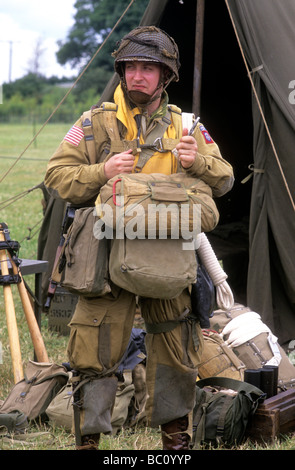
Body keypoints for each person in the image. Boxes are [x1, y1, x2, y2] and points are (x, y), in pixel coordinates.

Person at [44, 26, 234, 450]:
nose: (137, 76)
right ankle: (89, 444)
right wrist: (102, 172)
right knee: (94, 352)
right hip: (105, 256)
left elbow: (224, 180)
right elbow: (57, 177)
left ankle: (176, 445)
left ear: (165, 76)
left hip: (168, 258)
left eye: (148, 68)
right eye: (131, 67)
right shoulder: (93, 124)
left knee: (174, 350)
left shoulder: (187, 126)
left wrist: (198, 161)